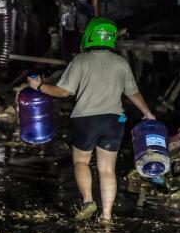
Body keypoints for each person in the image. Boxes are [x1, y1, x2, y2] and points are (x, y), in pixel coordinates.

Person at [27, 17, 155, 222]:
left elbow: (62, 92)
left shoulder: (80, 60)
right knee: (107, 169)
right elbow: (133, 93)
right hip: (114, 121)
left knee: (81, 161)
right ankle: (106, 216)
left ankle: (88, 201)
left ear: (89, 35)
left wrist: (39, 87)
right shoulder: (121, 62)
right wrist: (148, 113)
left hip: (86, 120)